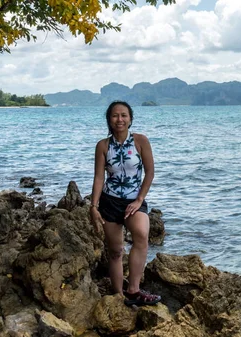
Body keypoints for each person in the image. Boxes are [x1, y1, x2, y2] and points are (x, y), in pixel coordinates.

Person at [89, 100, 161, 306]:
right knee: (115, 251)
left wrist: (139, 200)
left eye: (124, 115)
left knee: (141, 235)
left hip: (133, 201)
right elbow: (98, 178)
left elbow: (150, 172)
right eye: (115, 116)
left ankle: (133, 290)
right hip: (109, 202)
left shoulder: (140, 141)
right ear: (109, 120)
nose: (119, 119)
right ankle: (118, 296)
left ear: (130, 119)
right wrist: (93, 206)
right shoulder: (103, 146)